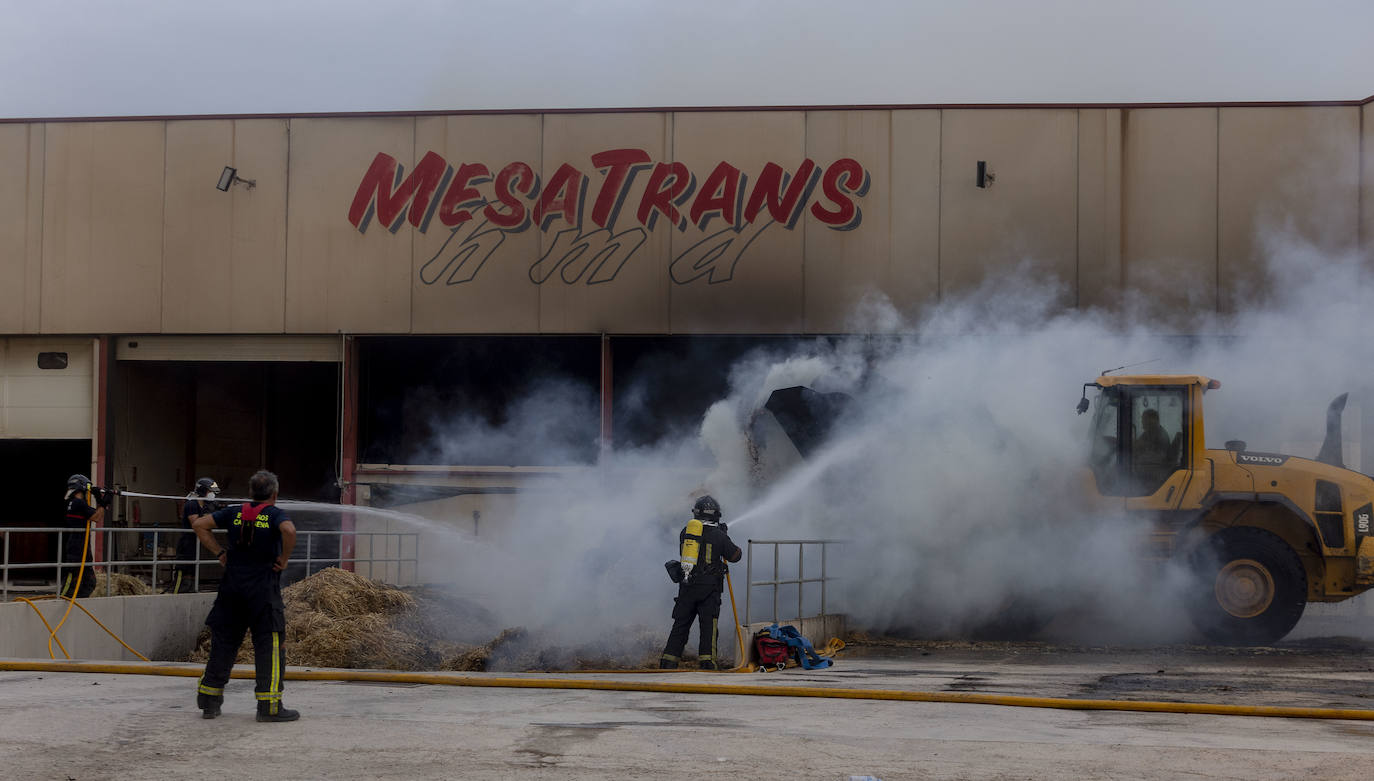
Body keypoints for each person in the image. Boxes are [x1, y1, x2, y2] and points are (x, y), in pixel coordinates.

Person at [190, 469, 299, 722]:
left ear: (251, 492)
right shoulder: (274, 514)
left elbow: (199, 524)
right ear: (274, 493)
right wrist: (283, 559)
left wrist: (219, 553)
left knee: (224, 643)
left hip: (232, 590)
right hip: (262, 592)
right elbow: (290, 531)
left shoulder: (234, 512)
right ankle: (270, 706)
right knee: (269, 645)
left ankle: (209, 700)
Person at [660, 495, 742, 670]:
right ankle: (707, 663)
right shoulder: (719, 535)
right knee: (708, 627)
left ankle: (668, 662)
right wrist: (724, 535)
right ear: (716, 514)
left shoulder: (685, 532)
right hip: (709, 589)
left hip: (686, 586)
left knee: (680, 625)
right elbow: (735, 556)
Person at [59, 474, 105, 599]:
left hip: (82, 547)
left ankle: (78, 604)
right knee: (71, 583)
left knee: (89, 582)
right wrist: (101, 500)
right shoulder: (77, 503)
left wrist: (102, 500)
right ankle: (62, 603)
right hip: (77, 549)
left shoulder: (75, 503)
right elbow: (97, 517)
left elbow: (95, 514)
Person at [172, 478, 219, 594]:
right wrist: (210, 518)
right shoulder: (192, 503)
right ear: (203, 491)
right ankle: (176, 596)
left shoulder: (206, 505)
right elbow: (196, 523)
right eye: (210, 491)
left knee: (193, 575)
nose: (212, 494)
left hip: (197, 543)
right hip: (187, 543)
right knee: (184, 575)